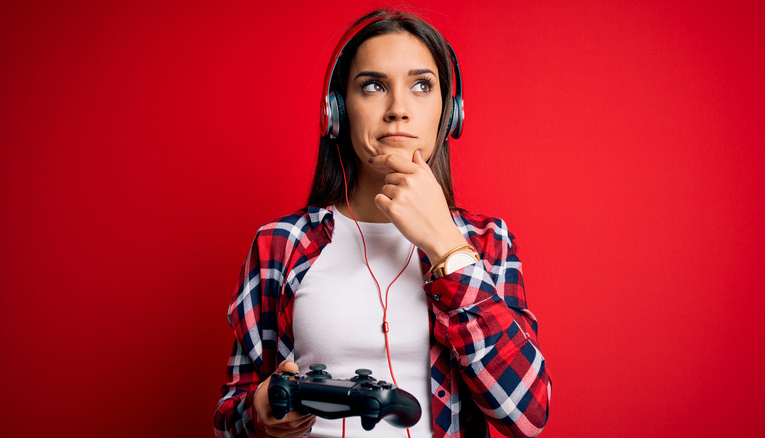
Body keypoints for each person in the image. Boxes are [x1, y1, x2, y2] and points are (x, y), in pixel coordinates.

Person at [214, 9, 551, 438]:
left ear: (450, 114)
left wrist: (447, 247)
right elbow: (228, 417)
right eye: (373, 86)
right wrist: (257, 413)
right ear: (337, 111)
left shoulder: (486, 242)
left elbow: (527, 414)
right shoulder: (279, 244)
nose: (398, 110)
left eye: (421, 86)